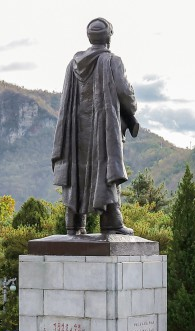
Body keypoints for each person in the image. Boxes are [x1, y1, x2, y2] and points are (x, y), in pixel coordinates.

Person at [51, 17, 138, 236]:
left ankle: (74, 223)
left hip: (75, 131)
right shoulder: (112, 61)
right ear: (109, 36)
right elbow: (124, 92)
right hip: (103, 127)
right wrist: (132, 109)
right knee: (106, 167)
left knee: (75, 171)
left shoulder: (73, 65)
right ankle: (111, 222)